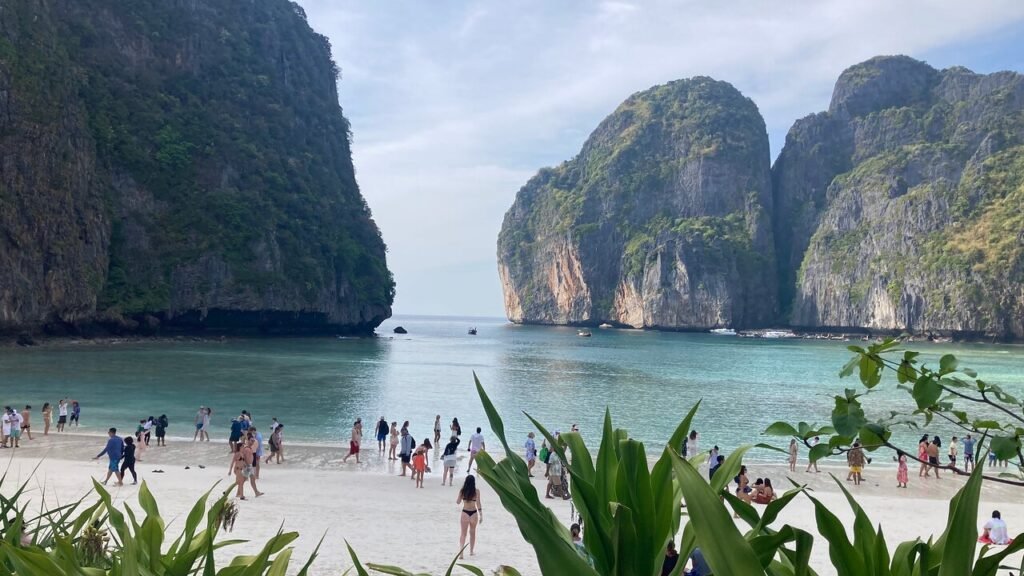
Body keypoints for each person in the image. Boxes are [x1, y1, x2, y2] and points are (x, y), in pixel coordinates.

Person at [456, 475, 482, 558]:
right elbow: (478, 503)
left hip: (465, 513)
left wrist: (461, 496)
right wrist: (481, 514)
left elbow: (458, 502)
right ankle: (471, 551)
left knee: (463, 534)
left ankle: (461, 551)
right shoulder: (476, 491)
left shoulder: (463, 491)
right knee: (472, 533)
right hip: (473, 513)